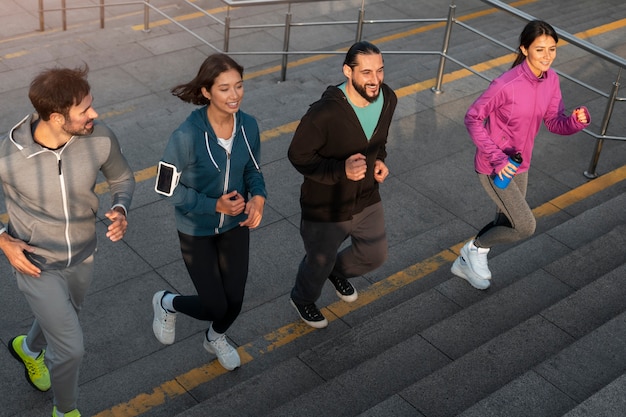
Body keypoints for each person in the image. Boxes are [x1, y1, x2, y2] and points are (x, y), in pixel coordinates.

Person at [3, 66, 135, 417]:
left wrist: (120, 207)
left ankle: (29, 349)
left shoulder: (100, 137)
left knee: (65, 317)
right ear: (56, 117)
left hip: (82, 256)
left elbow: (121, 176)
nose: (95, 114)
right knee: (71, 347)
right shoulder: (8, 156)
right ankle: (65, 411)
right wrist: (3, 241)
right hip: (35, 263)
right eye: (84, 110)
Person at [452, 20, 590, 290]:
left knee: (506, 220)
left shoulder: (551, 80)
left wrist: (575, 122)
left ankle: (470, 258)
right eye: (540, 49)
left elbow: (554, 121)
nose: (547, 56)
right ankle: (473, 250)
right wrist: (497, 158)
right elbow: (472, 118)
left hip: (521, 164)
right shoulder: (506, 84)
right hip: (495, 166)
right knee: (525, 225)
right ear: (524, 49)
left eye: (552, 49)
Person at [151, 54, 266, 371]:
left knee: (235, 301)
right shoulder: (185, 136)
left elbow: (253, 171)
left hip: (235, 225)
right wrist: (212, 204)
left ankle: (214, 337)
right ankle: (166, 302)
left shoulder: (249, 126)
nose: (234, 96)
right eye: (225, 89)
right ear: (206, 92)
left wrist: (258, 197)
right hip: (196, 230)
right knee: (215, 303)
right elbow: (164, 187)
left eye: (239, 86)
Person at [288, 41, 397, 328]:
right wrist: (341, 170)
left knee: (374, 255)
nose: (375, 79)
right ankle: (302, 298)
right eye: (366, 72)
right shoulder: (324, 113)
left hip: (366, 197)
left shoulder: (388, 99)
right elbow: (298, 155)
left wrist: (379, 161)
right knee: (317, 262)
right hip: (325, 206)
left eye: (380, 70)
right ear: (347, 71)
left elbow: (379, 141)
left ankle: (336, 271)